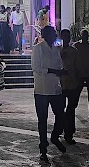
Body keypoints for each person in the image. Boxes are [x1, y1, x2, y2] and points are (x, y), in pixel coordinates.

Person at [30, 25, 67, 161]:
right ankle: (43, 147)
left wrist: (61, 71)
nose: (55, 35)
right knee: (42, 119)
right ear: (46, 35)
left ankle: (55, 136)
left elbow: (59, 64)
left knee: (60, 115)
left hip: (55, 88)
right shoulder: (38, 49)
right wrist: (53, 71)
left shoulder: (56, 49)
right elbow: (36, 67)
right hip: (42, 89)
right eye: (53, 33)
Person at [59, 29, 80, 145]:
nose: (66, 38)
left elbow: (77, 67)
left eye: (67, 36)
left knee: (71, 109)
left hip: (72, 83)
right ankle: (61, 129)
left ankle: (69, 133)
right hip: (60, 84)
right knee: (60, 109)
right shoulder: (57, 50)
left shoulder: (74, 51)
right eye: (64, 36)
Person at [73, 29, 89, 119]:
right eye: (83, 35)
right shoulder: (76, 46)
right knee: (76, 93)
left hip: (88, 73)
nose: (85, 37)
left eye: (86, 36)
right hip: (79, 73)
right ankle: (72, 108)